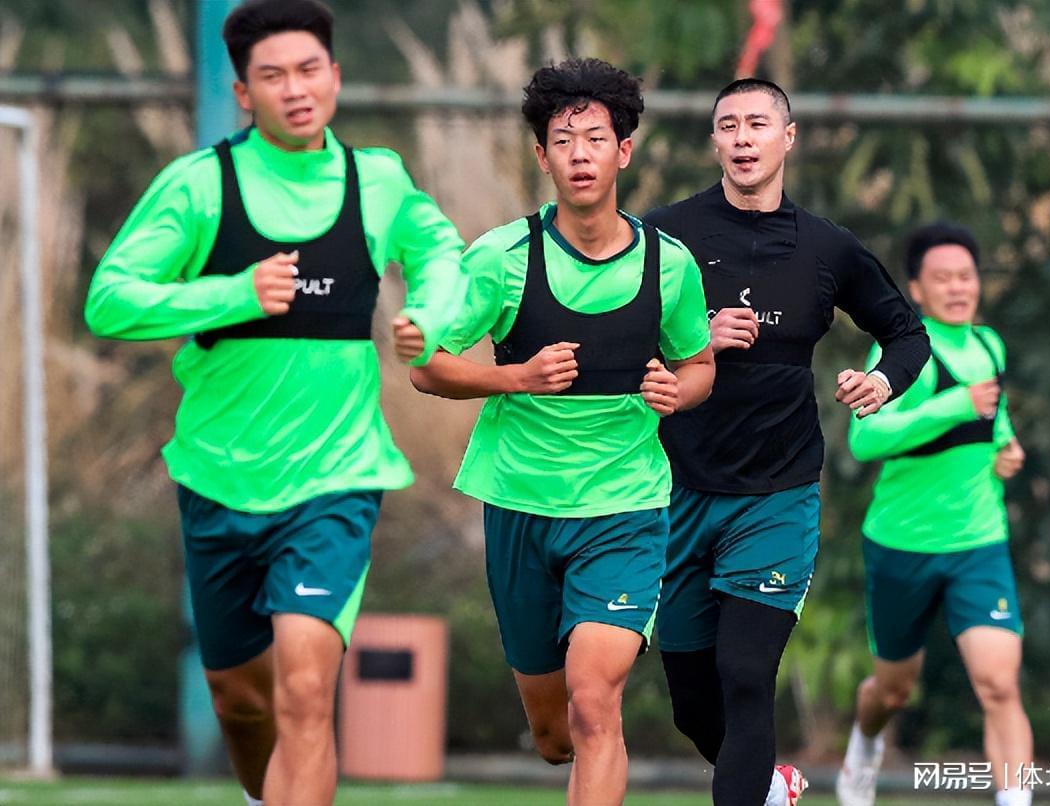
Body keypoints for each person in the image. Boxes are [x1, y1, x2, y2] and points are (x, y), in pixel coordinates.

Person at [83, 2, 466, 803]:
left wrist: (429, 317)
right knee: (242, 700)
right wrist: (233, 294)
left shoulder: (377, 180)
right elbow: (110, 300)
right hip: (218, 477)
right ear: (242, 93)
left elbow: (440, 254)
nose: (295, 89)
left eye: (308, 70)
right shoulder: (200, 185)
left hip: (335, 478)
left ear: (335, 76)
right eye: (273, 75)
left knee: (304, 690)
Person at [409, 58, 714, 805]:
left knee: (594, 702)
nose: (581, 154)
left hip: (624, 508)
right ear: (542, 156)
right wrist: (516, 376)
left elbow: (700, 364)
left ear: (624, 151)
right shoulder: (502, 258)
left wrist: (679, 390)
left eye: (596, 138)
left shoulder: (669, 266)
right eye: (563, 140)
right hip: (521, 504)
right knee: (554, 734)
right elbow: (427, 365)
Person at [643, 78, 930, 806]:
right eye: (728, 125)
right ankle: (769, 785)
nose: (743, 138)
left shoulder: (828, 247)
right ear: (714, 141)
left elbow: (906, 334)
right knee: (692, 703)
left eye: (758, 124)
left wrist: (883, 381)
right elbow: (613, 335)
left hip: (779, 491)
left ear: (788, 137)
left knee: (745, 675)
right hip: (676, 487)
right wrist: (695, 339)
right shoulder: (664, 236)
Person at [836, 222, 1032, 806]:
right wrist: (953, 404)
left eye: (966, 276)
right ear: (917, 290)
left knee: (999, 686)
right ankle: (865, 745)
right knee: (892, 691)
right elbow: (865, 440)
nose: (957, 288)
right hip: (902, 542)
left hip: (979, 540)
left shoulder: (990, 346)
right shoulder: (902, 353)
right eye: (942, 279)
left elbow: (994, 420)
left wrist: (1007, 448)